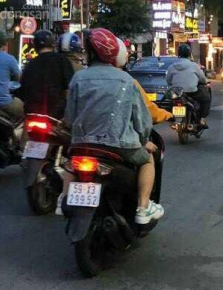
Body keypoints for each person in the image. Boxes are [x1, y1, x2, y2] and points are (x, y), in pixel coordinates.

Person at [63, 27, 164, 225]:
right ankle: (143, 207)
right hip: (119, 146)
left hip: (82, 143)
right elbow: (142, 121)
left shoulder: (78, 78)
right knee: (147, 160)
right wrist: (144, 140)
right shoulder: (126, 80)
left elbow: (70, 116)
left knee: (69, 162)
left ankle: (63, 198)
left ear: (90, 53)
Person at [18, 30, 74, 119]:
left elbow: (22, 90)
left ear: (35, 46)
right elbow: (70, 87)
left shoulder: (30, 64)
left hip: (33, 112)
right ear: (53, 44)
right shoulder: (62, 60)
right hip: (57, 114)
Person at [166, 44, 211, 128]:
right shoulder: (194, 66)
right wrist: (205, 82)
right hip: (192, 91)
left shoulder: (172, 66)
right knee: (206, 98)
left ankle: (174, 119)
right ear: (189, 54)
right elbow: (202, 78)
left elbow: (168, 80)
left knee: (169, 102)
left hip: (176, 93)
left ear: (178, 53)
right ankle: (201, 119)